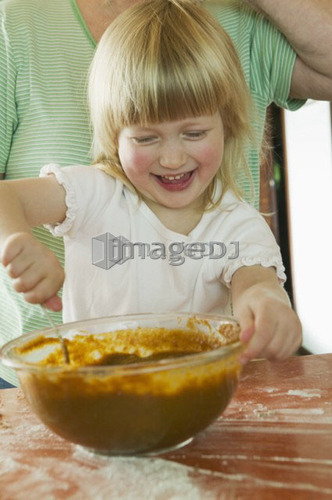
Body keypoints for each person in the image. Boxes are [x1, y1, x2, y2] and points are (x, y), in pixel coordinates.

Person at [0, 0, 329, 385]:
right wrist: (19, 239)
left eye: (194, 134)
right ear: (113, 136)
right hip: (86, 390)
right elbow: (8, 199)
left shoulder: (236, 224)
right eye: (145, 138)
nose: (172, 159)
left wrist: (268, 304)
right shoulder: (92, 193)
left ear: (229, 125)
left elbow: (255, 281)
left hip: (193, 394)